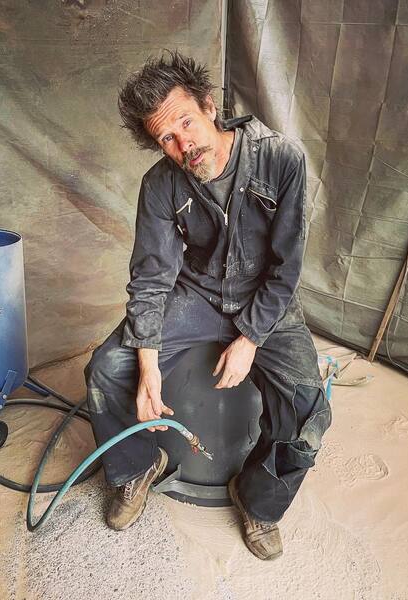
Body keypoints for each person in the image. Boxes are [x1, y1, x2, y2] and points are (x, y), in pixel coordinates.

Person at [84, 50, 331, 561]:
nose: (182, 144)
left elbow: (287, 268)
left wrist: (250, 339)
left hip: (266, 303)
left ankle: (258, 500)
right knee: (107, 368)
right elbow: (151, 276)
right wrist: (147, 367)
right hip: (195, 295)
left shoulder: (281, 158)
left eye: (185, 123)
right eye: (165, 138)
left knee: (309, 411)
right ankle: (135, 467)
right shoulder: (160, 184)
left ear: (209, 106)